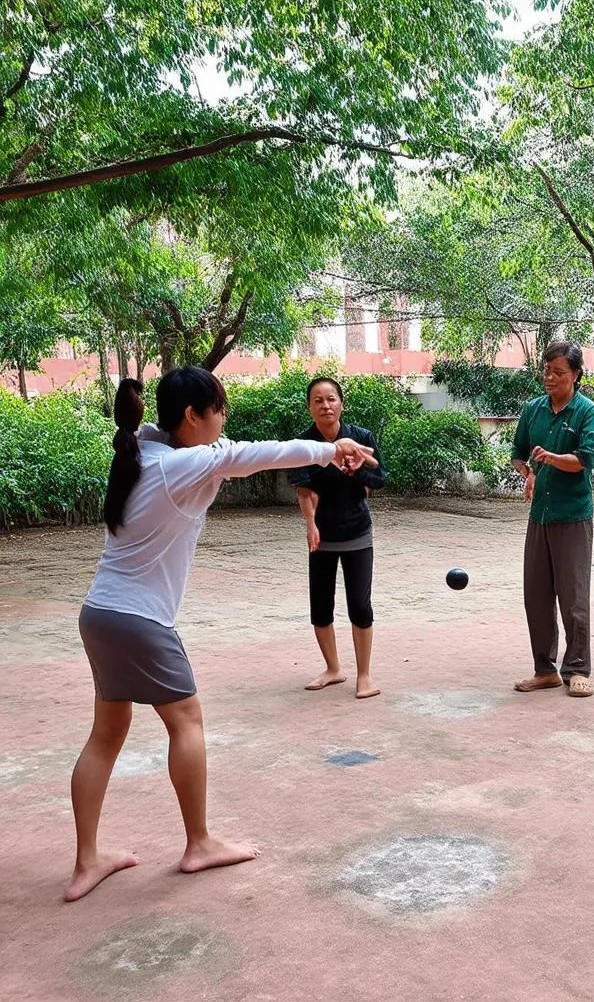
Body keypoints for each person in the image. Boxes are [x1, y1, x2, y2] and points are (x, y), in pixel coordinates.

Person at [68, 366, 377, 902]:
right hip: (141, 621)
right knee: (186, 721)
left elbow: (230, 448)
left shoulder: (143, 450)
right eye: (220, 408)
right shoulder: (181, 466)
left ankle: (87, 860)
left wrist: (328, 450)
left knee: (106, 735)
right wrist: (330, 451)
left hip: (100, 614)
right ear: (192, 416)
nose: (225, 418)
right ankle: (199, 843)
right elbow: (250, 454)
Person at [511, 341, 594, 698]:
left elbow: (586, 459)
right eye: (546, 370)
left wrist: (550, 458)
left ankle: (577, 668)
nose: (549, 377)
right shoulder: (533, 410)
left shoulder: (586, 412)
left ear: (576, 375)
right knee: (535, 593)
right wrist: (528, 473)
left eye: (558, 372)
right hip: (540, 516)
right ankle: (544, 669)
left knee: (573, 595)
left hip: (573, 514)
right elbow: (520, 454)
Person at [289, 377, 386, 697]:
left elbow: (378, 480)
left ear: (341, 403)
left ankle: (365, 675)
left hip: (357, 531)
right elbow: (304, 489)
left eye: (331, 399)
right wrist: (310, 524)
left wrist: (355, 470)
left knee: (360, 605)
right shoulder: (305, 444)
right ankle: (333, 669)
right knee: (320, 607)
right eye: (318, 400)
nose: (325, 405)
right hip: (322, 536)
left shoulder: (360, 438)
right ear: (310, 407)